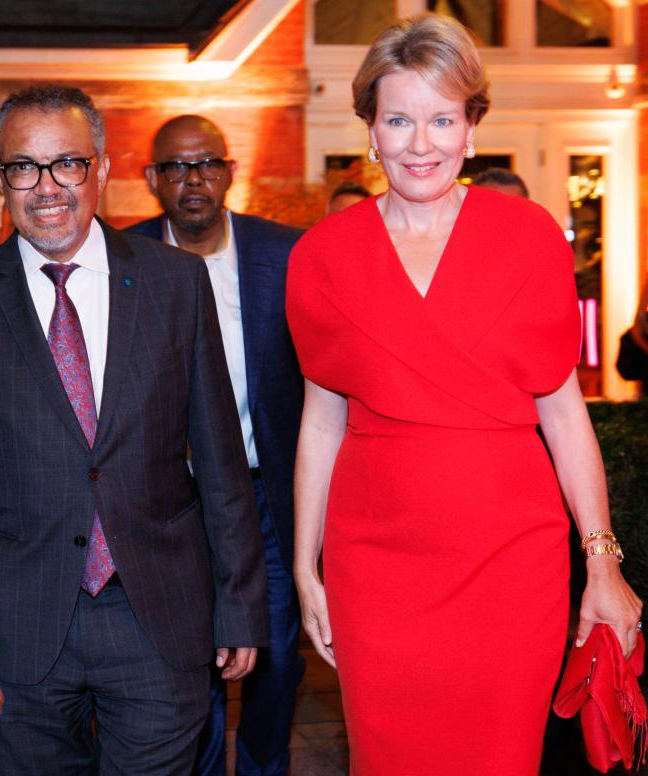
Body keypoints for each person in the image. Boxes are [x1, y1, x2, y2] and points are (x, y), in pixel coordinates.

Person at [285, 15, 641, 776]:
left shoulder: (530, 236)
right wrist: (304, 566)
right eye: (400, 120)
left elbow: (564, 412)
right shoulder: (323, 256)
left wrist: (602, 561)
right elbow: (321, 422)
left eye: (442, 119)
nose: (421, 143)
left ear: (472, 128)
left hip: (511, 563)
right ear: (371, 133)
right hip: (376, 565)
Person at [0, 86, 269, 775]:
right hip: (19, 630)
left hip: (159, 617)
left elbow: (222, 462)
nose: (46, 187)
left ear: (100, 169)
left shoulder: (177, 284)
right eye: (23, 167)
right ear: (1, 179)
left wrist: (240, 606)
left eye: (66, 163)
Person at [129, 114, 304, 776]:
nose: (192, 179)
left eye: (205, 163)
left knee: (278, 654)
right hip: (175, 499)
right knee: (188, 658)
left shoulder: (284, 255)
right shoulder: (123, 258)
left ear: (230, 173)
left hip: (266, 495)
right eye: (175, 167)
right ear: (152, 180)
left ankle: (264, 767)